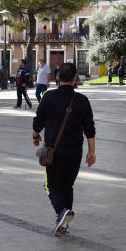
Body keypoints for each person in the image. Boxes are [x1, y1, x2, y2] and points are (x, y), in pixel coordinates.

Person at [32, 63, 96, 237]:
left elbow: (38, 122)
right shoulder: (82, 100)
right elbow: (89, 129)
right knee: (68, 185)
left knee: (51, 185)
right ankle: (64, 223)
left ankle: (61, 212)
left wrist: (35, 135)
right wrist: (92, 152)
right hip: (75, 152)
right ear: (75, 79)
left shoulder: (49, 96)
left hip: (55, 151)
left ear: (58, 77)